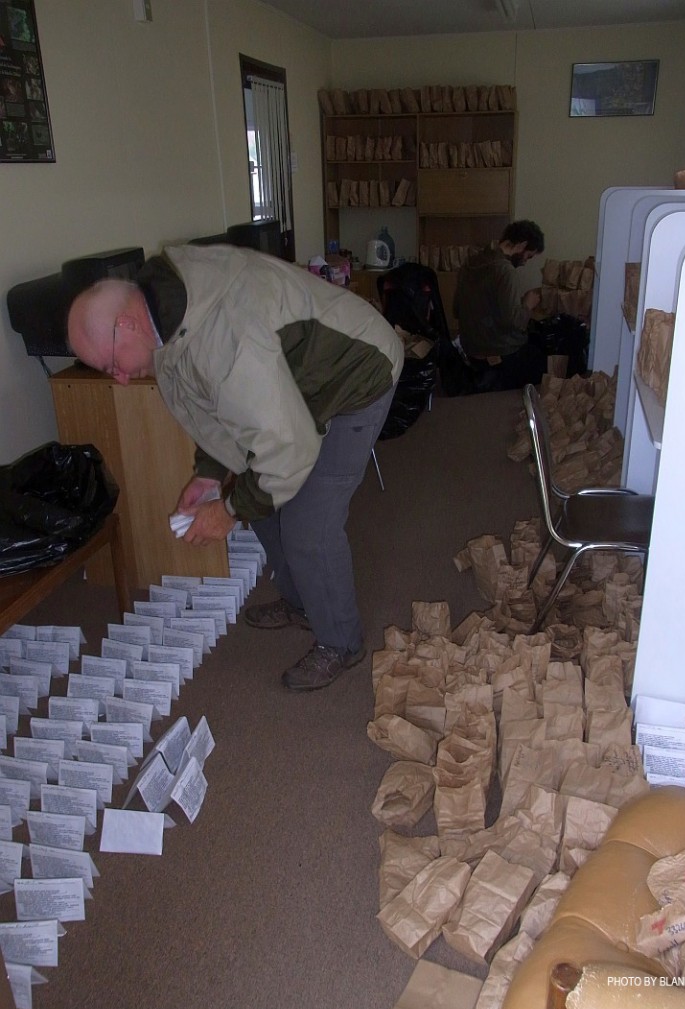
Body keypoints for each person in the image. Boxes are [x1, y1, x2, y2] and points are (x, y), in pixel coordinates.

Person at [67, 243, 403, 692]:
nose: (119, 377)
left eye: (111, 364)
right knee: (259, 505)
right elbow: (209, 403)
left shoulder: (224, 335)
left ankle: (342, 642)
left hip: (357, 375)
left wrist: (227, 510)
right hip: (296, 389)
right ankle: (303, 602)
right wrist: (209, 473)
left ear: (124, 324)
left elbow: (288, 447)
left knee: (308, 524)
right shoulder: (161, 314)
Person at [453, 219, 545, 391]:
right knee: (540, 349)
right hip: (495, 350)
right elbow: (514, 322)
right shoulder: (505, 270)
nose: (526, 262)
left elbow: (456, 310)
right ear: (522, 245)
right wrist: (528, 305)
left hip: (470, 346)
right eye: (529, 255)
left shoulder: (470, 262)